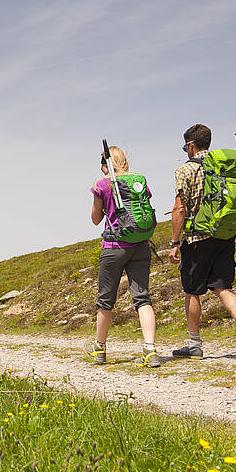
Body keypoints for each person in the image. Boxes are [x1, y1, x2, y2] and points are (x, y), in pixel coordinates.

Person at [168, 124, 236, 361]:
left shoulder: (185, 170)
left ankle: (194, 344)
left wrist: (174, 242)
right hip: (224, 235)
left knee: (191, 292)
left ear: (190, 145)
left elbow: (180, 208)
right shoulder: (223, 168)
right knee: (223, 287)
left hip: (197, 238)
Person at [85, 145, 160, 367]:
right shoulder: (139, 180)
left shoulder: (102, 184)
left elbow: (95, 219)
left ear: (105, 164)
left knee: (105, 301)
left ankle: (100, 349)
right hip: (141, 245)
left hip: (114, 246)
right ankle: (150, 349)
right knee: (142, 298)